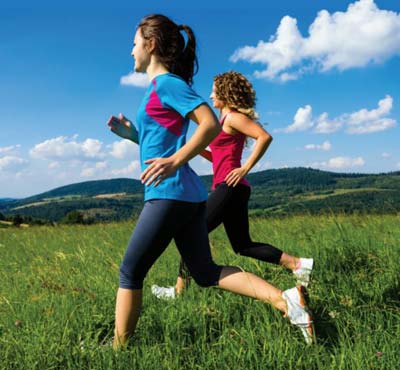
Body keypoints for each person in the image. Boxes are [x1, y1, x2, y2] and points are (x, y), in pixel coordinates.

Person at [107, 14, 314, 348]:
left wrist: (175, 160)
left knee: (130, 272)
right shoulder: (159, 89)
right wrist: (133, 135)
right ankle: (287, 301)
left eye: (134, 44)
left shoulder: (168, 84)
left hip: (169, 194)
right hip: (188, 195)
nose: (131, 52)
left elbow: (209, 124)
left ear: (151, 44)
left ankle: (117, 351)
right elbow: (164, 141)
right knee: (204, 272)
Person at [151, 71, 314, 299]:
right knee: (242, 245)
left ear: (225, 94)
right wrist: (195, 150)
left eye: (214, 91)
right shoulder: (222, 122)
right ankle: (298, 264)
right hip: (232, 188)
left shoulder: (233, 118)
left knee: (191, 231)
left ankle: (178, 292)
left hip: (231, 186)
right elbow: (219, 156)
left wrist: (245, 168)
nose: (210, 95)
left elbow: (264, 137)